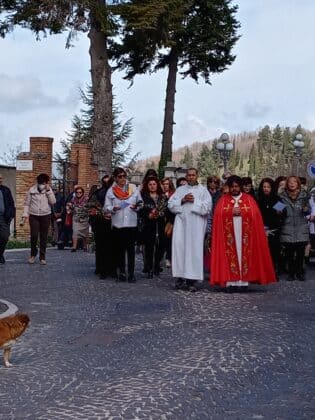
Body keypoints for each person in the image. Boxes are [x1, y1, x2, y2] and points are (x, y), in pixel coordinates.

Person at [210, 175, 276, 291]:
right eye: (232, 187)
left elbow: (255, 216)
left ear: (240, 186)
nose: (234, 189)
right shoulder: (223, 200)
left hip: (245, 234)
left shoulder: (249, 199)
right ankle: (230, 282)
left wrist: (242, 213)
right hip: (228, 235)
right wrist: (230, 211)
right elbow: (218, 216)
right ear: (229, 187)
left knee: (243, 255)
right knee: (231, 255)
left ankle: (243, 282)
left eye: (236, 186)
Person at [168, 168, 212, 292]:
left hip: (196, 226)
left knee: (193, 251)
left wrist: (195, 201)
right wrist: (182, 200)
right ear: (186, 176)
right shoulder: (180, 190)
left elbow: (207, 208)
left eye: (193, 175)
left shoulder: (203, 191)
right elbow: (170, 205)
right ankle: (180, 277)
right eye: (189, 175)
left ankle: (191, 280)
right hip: (181, 225)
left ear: (197, 176)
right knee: (180, 249)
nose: (191, 177)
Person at [105, 167, 138, 282]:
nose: (123, 178)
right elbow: (106, 207)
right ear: (115, 178)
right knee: (120, 250)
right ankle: (122, 272)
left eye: (124, 176)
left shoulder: (133, 188)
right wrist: (113, 208)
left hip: (131, 223)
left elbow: (141, 202)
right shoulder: (111, 191)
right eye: (120, 176)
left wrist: (137, 207)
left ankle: (132, 273)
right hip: (118, 224)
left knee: (131, 250)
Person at [279, 176, 310, 281]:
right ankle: (291, 273)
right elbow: (277, 209)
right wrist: (279, 211)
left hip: (301, 226)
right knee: (289, 252)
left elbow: (308, 210)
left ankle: (300, 272)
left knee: (300, 253)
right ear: (287, 184)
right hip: (287, 226)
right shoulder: (282, 196)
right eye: (290, 182)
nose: (292, 184)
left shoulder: (304, 195)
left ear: (298, 183)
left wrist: (306, 209)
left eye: (294, 182)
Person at [23, 173, 56, 265]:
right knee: (33, 235)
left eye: (44, 183)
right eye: (41, 182)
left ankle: (42, 257)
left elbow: (53, 201)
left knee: (43, 237)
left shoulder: (49, 190)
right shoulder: (31, 190)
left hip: (46, 215)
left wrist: (48, 191)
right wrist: (25, 213)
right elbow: (27, 203)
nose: (42, 184)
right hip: (34, 215)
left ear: (46, 182)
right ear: (38, 182)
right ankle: (33, 254)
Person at [139, 176, 168, 278]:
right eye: (150, 184)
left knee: (161, 247)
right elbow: (140, 210)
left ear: (157, 185)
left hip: (160, 224)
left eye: (154, 184)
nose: (152, 186)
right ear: (147, 186)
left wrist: (159, 214)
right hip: (148, 225)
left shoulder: (163, 197)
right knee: (149, 247)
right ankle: (150, 267)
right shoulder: (143, 196)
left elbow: (166, 210)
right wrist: (148, 215)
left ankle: (156, 265)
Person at [88, 175, 115, 279]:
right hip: (102, 223)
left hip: (108, 223)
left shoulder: (111, 193)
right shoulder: (99, 193)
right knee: (103, 247)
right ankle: (103, 268)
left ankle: (103, 268)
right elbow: (91, 207)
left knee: (104, 247)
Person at [257, 177, 284, 277]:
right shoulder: (258, 199)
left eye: (268, 187)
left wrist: (279, 212)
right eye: (264, 187)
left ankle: (273, 272)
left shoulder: (277, 199)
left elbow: (282, 214)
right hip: (261, 229)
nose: (266, 189)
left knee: (274, 251)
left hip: (274, 229)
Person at [0, 174, 15, 264]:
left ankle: (0, 254)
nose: (0, 179)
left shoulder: (6, 190)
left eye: (1, 178)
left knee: (5, 236)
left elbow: (11, 204)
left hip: (3, 217)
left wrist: (10, 214)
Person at [161, 177, 175, 268]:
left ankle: (168, 258)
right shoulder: (160, 194)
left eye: (167, 184)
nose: (165, 186)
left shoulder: (173, 194)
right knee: (163, 240)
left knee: (169, 239)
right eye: (164, 184)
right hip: (161, 219)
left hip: (170, 219)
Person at [70, 186, 89, 252]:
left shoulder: (86, 199)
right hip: (76, 218)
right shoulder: (73, 199)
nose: (78, 193)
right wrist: (69, 206)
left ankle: (85, 246)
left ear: (82, 193)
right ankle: (74, 247)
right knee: (75, 232)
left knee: (85, 233)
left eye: (80, 192)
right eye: (77, 192)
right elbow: (70, 206)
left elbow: (89, 207)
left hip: (84, 218)